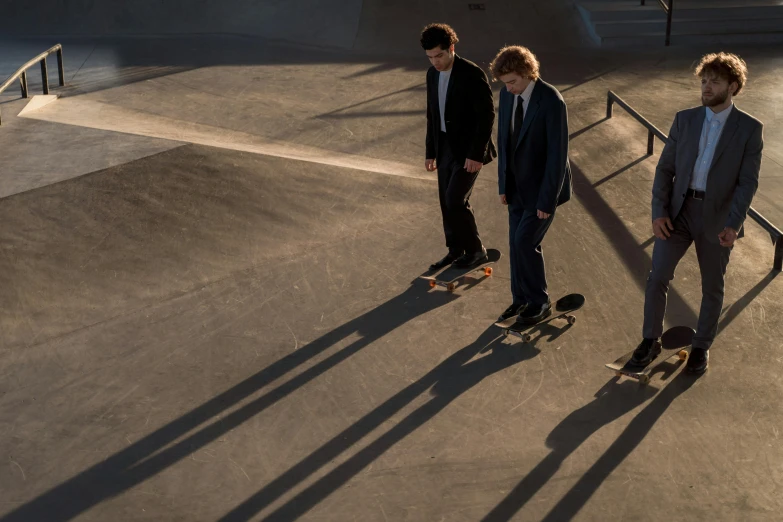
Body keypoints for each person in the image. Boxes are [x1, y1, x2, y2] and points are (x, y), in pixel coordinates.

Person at [631, 52, 763, 374]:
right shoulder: (684, 119)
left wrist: (734, 223)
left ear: (732, 86)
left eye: (714, 81)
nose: (706, 87)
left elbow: (747, 183)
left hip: (717, 218)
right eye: (703, 80)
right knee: (657, 275)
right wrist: (659, 211)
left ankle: (701, 346)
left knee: (712, 287)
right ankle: (651, 340)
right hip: (678, 211)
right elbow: (665, 169)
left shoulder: (749, 129)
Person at [489, 46, 571, 324]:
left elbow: (557, 157)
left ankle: (540, 301)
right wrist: (503, 185)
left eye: (513, 82)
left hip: (541, 191)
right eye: (505, 83)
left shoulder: (551, 101)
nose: (509, 88)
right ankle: (520, 300)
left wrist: (546, 201)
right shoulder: (507, 95)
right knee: (515, 243)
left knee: (525, 242)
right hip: (515, 189)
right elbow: (504, 141)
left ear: (527, 73)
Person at [422, 23, 497, 271]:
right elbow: (432, 115)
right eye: (430, 57)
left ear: (451, 48)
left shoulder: (471, 73)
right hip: (444, 147)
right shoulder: (432, 74)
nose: (436, 62)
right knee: (446, 200)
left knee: (456, 199)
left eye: (440, 55)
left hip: (469, 150)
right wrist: (430, 151)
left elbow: (486, 115)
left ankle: (476, 251)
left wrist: (476, 154)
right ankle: (455, 250)